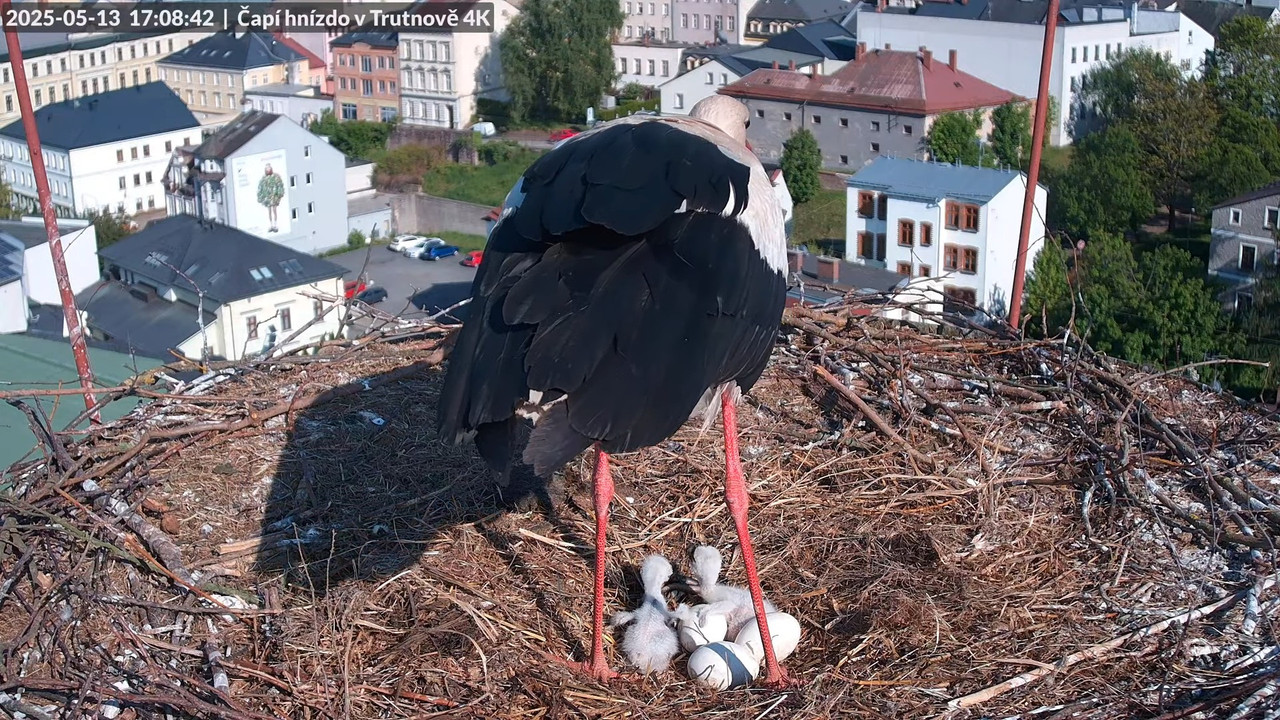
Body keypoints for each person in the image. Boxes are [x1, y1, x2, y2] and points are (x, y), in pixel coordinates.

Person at [257, 163, 285, 233]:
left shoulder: (276, 176)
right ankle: (271, 225)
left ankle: (275, 225)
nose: (268, 169)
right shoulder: (263, 178)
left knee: (274, 210)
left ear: (271, 169)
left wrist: (279, 194)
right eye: (266, 168)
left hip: (274, 197)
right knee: (269, 211)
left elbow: (280, 185)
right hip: (268, 198)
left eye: (269, 168)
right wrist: (260, 196)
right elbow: (260, 188)